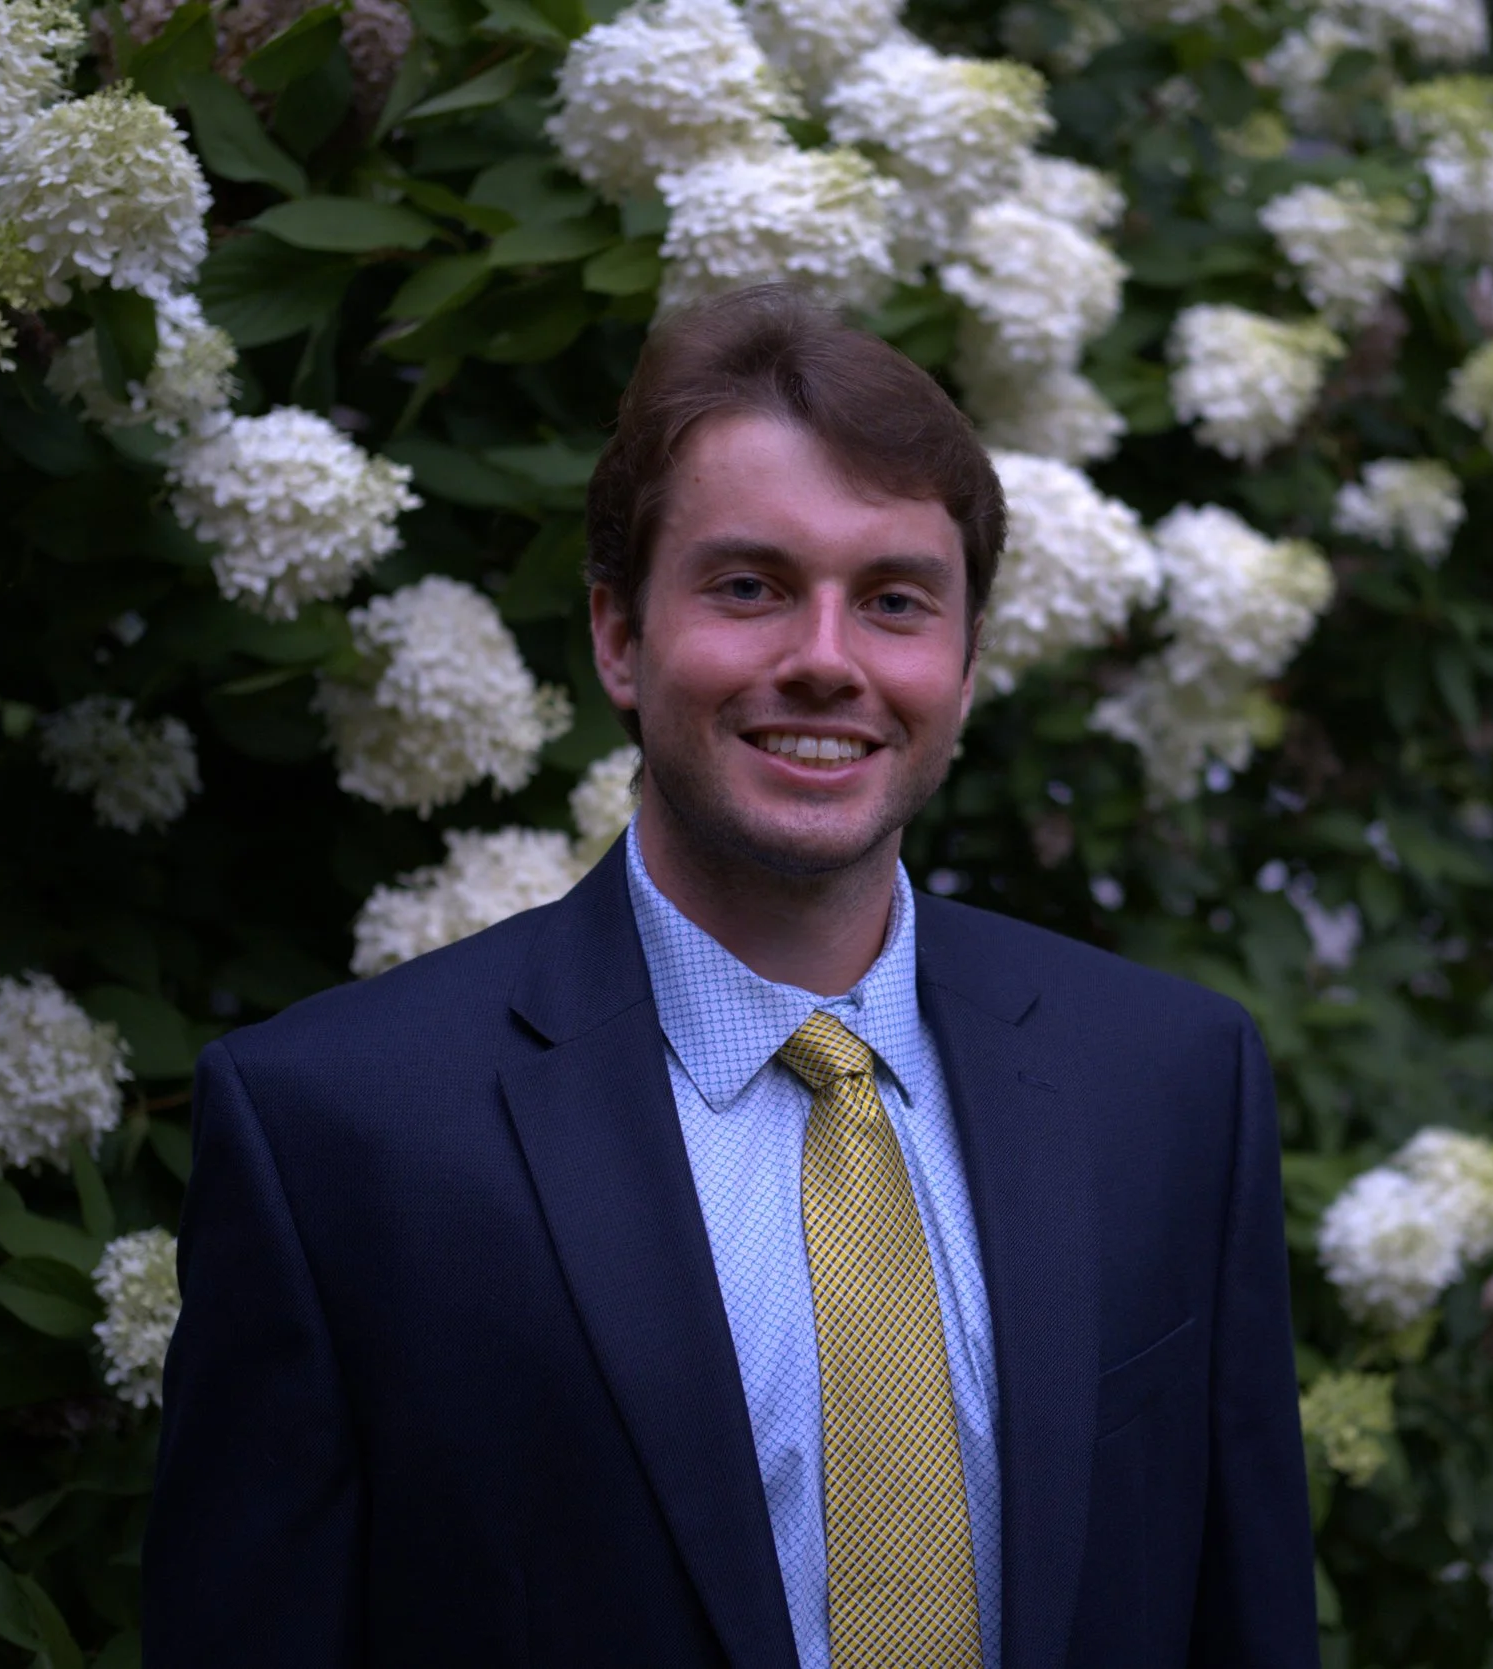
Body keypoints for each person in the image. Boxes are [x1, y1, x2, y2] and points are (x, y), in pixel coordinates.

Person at [145, 285, 1316, 1668]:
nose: (826, 662)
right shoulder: (339, 1134)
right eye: (751, 586)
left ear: (965, 659)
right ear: (620, 637)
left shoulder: (1169, 1084)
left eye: (893, 601)